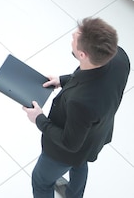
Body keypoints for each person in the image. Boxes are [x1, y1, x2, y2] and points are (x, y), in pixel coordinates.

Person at [23, 17, 130, 198]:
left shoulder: (81, 102)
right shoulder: (119, 57)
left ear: (82, 55)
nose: (73, 34)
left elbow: (69, 143)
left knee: (41, 180)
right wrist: (62, 80)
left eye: (76, 38)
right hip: (95, 136)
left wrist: (39, 119)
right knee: (80, 162)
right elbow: (90, 73)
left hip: (65, 151)